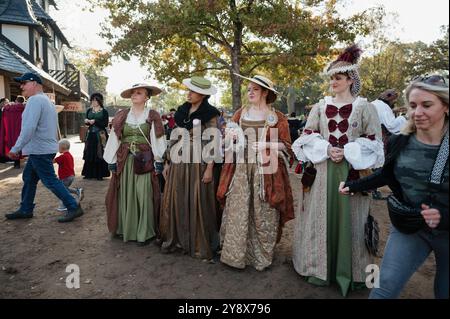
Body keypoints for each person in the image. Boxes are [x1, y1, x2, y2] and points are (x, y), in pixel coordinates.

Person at [339, 75, 449, 299]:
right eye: (413, 105)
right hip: (410, 228)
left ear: (446, 106)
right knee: (382, 289)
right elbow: (387, 174)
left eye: (427, 105)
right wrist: (353, 186)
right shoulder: (400, 141)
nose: (417, 112)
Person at [291, 44, 384, 296]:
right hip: (324, 172)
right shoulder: (320, 107)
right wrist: (326, 148)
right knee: (321, 215)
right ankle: (320, 270)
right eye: (332, 77)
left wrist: (349, 151)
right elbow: (307, 136)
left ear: (350, 80)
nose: (333, 81)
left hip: (353, 172)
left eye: (338, 77)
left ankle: (353, 274)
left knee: (353, 219)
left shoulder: (365, 107)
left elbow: (375, 143)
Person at [217, 74, 295, 271]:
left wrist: (267, 143)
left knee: (263, 211)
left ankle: (261, 256)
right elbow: (227, 140)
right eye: (248, 89)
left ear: (265, 93)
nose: (250, 92)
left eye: (255, 89)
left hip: (266, 170)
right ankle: (236, 255)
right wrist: (231, 137)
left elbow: (287, 146)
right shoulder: (240, 114)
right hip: (241, 168)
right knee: (239, 209)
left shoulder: (277, 117)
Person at [5, 72, 83, 223]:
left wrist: (15, 148)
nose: (21, 86)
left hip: (39, 150)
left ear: (34, 83)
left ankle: (73, 206)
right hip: (43, 148)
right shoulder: (46, 101)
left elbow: (28, 128)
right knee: (29, 178)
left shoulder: (34, 101)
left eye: (24, 83)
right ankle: (26, 208)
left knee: (50, 181)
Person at [159, 76, 221, 260]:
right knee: (177, 197)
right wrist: (168, 161)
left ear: (202, 95)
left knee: (197, 199)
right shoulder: (182, 111)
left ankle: (196, 243)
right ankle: (178, 240)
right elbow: (174, 137)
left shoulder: (210, 113)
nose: (189, 93)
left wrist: (210, 168)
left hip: (198, 161)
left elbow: (214, 141)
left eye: (193, 91)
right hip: (179, 160)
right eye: (189, 90)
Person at [104, 83, 167, 246]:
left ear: (146, 98)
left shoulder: (152, 115)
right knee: (127, 193)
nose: (134, 95)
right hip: (125, 160)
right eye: (133, 93)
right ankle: (127, 229)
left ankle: (144, 232)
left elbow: (157, 138)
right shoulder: (122, 115)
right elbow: (114, 137)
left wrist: (159, 160)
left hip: (144, 160)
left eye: (139, 93)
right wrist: (111, 160)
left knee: (144, 194)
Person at [371, 89, 406, 200]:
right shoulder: (384, 107)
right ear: (389, 98)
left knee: (376, 164)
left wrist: (395, 111)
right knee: (384, 165)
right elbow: (391, 125)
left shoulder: (375, 103)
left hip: (371, 137)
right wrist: (404, 118)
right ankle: (396, 191)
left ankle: (374, 190)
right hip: (381, 138)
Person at [81, 93, 110, 180]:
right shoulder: (89, 110)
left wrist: (95, 121)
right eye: (92, 100)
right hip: (90, 134)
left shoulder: (104, 111)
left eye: (95, 100)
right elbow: (86, 121)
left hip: (100, 135)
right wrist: (86, 121)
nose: (94, 102)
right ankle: (88, 174)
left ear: (99, 101)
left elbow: (105, 124)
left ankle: (99, 174)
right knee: (89, 152)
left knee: (99, 153)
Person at [54, 139, 84, 211]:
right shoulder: (69, 155)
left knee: (62, 190)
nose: (57, 149)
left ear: (62, 147)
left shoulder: (62, 157)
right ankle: (77, 191)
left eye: (58, 147)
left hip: (65, 177)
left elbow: (52, 161)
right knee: (65, 188)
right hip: (71, 175)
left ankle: (63, 205)